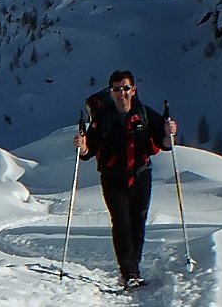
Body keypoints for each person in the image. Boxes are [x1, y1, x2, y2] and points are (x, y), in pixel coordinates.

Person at [73, 70, 176, 288]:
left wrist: (169, 133)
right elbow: (87, 152)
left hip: (141, 175)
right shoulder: (102, 119)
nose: (122, 93)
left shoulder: (145, 114)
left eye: (126, 88)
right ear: (111, 92)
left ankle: (133, 268)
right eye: (118, 89)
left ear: (133, 90)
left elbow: (165, 144)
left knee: (138, 222)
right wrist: (82, 146)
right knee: (121, 222)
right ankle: (128, 270)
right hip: (113, 179)